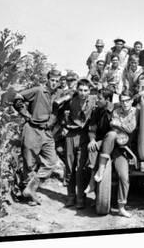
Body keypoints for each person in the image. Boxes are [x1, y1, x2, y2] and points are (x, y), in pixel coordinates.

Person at [12, 69, 64, 206]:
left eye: (57, 81)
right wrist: (25, 114)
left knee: (51, 161)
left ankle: (30, 188)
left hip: (46, 132)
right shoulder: (39, 90)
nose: (54, 83)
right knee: (29, 164)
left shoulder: (58, 94)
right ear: (47, 79)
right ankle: (30, 195)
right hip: (32, 129)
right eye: (52, 80)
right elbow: (18, 97)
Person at [93, 93, 137, 217]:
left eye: (127, 100)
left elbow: (131, 128)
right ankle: (99, 173)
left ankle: (121, 207)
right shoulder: (116, 111)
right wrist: (121, 126)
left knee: (124, 177)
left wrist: (120, 125)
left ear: (132, 101)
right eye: (122, 101)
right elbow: (113, 125)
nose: (125, 103)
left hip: (123, 150)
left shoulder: (136, 112)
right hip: (112, 145)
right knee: (111, 135)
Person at [60, 78, 98, 209]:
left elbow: (108, 103)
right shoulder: (71, 101)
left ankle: (81, 197)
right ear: (77, 90)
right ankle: (71, 197)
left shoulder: (94, 100)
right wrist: (64, 126)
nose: (83, 93)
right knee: (70, 167)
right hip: (71, 134)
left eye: (85, 90)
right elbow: (59, 112)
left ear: (89, 91)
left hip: (84, 136)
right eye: (80, 90)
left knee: (81, 168)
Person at [84, 88, 114, 194]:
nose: (97, 100)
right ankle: (92, 182)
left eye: (99, 98)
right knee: (92, 147)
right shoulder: (97, 111)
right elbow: (92, 128)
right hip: (101, 140)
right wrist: (92, 140)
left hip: (114, 141)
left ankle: (92, 183)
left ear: (108, 100)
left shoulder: (115, 111)